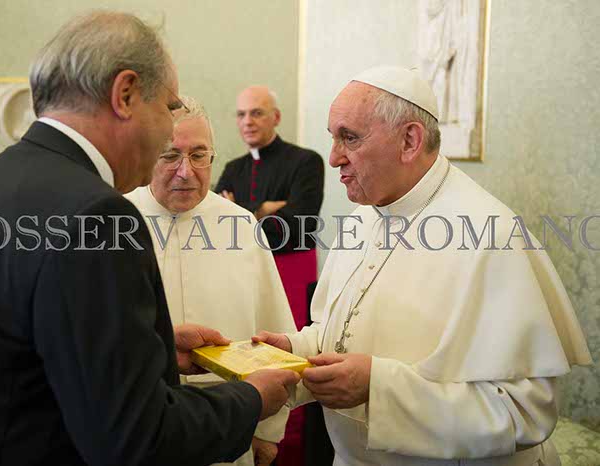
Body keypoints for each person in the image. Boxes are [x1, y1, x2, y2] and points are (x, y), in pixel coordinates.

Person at [0, 11, 299, 466]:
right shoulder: (98, 214)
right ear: (125, 94)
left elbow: (27, 353)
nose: (169, 131)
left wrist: (153, 349)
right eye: (168, 108)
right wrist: (250, 400)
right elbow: (137, 439)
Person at [254, 65, 592, 466]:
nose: (333, 157)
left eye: (350, 137)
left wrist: (377, 388)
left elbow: (524, 412)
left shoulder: (492, 235)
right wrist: (296, 350)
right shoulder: (363, 217)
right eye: (333, 137)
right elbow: (341, 332)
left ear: (410, 140)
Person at [126, 96, 298, 466]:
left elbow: (274, 334)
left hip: (232, 429)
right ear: (146, 154)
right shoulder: (115, 219)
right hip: (139, 432)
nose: (186, 171)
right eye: (170, 155)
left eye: (199, 155)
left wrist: (267, 431)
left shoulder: (241, 225)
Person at [216, 86, 325, 465]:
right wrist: (265, 208)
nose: (247, 121)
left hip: (292, 271)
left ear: (276, 117)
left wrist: (243, 211)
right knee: (245, 350)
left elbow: (300, 222)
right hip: (244, 272)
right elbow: (219, 225)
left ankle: (288, 447)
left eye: (257, 113)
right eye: (241, 114)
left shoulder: (306, 161)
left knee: (287, 358)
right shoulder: (234, 168)